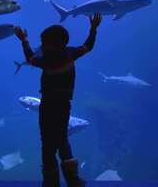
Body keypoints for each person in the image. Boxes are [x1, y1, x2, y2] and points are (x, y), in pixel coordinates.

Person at [15, 13, 102, 187]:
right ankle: (73, 180)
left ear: (50, 44)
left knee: (47, 143)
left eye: (43, 43)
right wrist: (93, 29)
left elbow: (30, 58)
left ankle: (50, 182)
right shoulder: (71, 53)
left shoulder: (46, 60)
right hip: (64, 105)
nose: (42, 46)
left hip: (47, 106)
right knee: (62, 139)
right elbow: (88, 46)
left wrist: (24, 41)